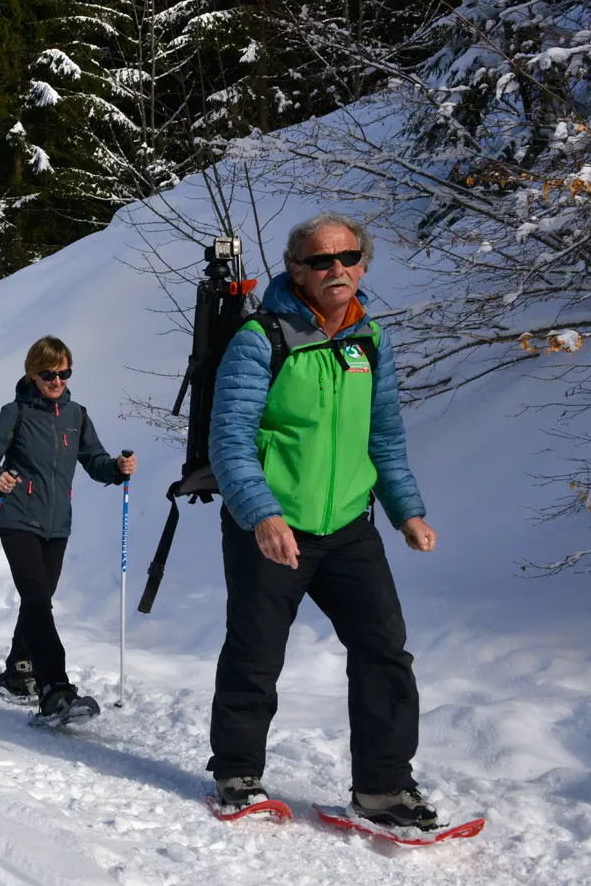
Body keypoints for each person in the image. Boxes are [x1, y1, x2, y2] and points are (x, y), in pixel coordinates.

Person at [206, 212, 438, 828]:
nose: (337, 269)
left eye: (348, 257)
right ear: (296, 270)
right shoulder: (262, 338)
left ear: (362, 263)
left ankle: (385, 788)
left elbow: (383, 434)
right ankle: (236, 774)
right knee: (257, 654)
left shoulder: (370, 340)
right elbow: (228, 438)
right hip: (273, 525)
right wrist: (261, 513)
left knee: (384, 649)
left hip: (349, 527)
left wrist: (405, 510)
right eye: (320, 260)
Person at [0, 336, 136, 723]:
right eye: (49, 374)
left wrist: (116, 468)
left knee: (38, 600)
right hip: (17, 519)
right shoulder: (15, 412)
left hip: (57, 525)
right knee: (38, 601)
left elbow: (94, 460)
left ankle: (18, 670)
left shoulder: (76, 415)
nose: (57, 381)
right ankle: (54, 689)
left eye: (64, 373)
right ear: (32, 373)